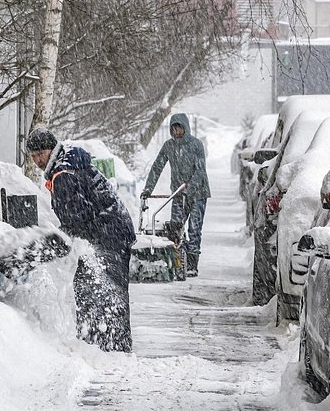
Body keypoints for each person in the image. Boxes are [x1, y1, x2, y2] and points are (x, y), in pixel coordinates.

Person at [26, 128, 136, 353]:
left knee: (96, 289)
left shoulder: (63, 174)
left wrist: (43, 249)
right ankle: (106, 344)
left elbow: (77, 220)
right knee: (99, 288)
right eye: (33, 156)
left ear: (51, 150)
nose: (37, 160)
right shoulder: (66, 162)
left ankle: (106, 347)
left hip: (108, 234)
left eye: (41, 154)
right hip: (112, 230)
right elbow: (78, 217)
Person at [141, 113, 211, 277]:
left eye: (179, 128)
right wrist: (148, 189)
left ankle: (192, 264)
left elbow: (200, 170)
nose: (176, 131)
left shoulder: (196, 145)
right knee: (175, 227)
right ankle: (175, 259)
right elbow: (157, 167)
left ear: (185, 128)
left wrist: (190, 188)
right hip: (178, 194)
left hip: (198, 193)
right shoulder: (169, 146)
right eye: (174, 128)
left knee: (194, 228)